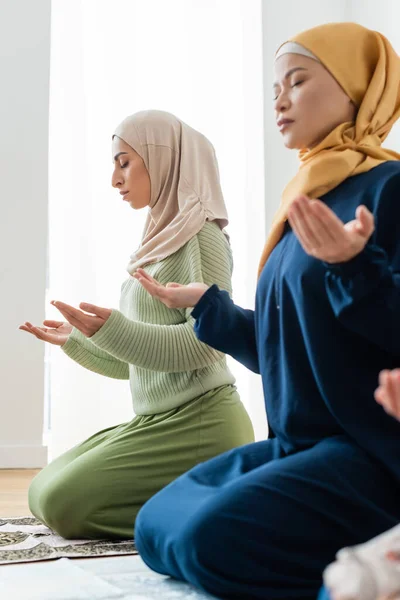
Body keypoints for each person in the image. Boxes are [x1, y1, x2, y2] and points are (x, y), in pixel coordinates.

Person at [132, 23, 400, 600]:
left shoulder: (390, 188)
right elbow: (293, 348)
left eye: (297, 82)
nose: (278, 100)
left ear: (357, 89)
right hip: (298, 444)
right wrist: (211, 306)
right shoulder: (307, 197)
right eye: (274, 87)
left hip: (372, 451)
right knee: (154, 528)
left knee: (209, 542)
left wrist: (356, 267)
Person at [19, 110, 254, 540]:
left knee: (60, 505)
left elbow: (208, 344)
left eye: (124, 161)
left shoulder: (199, 235)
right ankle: (196, 502)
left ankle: (203, 516)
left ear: (163, 158)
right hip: (156, 420)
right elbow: (139, 364)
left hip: (198, 422)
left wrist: (112, 330)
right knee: (40, 491)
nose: (115, 178)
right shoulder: (159, 239)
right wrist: (80, 340)